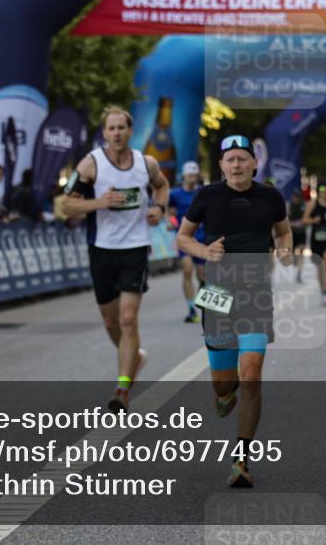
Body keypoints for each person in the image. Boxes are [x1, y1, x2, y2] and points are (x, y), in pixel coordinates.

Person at [176, 135, 293, 489]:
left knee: (253, 374)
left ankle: (242, 459)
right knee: (225, 384)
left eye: (243, 159)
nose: (237, 165)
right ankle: (225, 394)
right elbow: (182, 237)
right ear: (222, 166)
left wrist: (285, 250)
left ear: (254, 164)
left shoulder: (270, 196)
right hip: (217, 294)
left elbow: (284, 232)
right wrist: (203, 250)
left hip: (256, 294)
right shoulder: (207, 196)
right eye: (231, 160)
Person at [60, 105, 169, 414]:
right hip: (102, 249)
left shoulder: (145, 164)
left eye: (122, 128)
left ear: (130, 131)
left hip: (135, 248)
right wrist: (99, 202)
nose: (117, 133)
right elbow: (67, 205)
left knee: (127, 318)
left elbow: (161, 186)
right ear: (104, 132)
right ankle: (136, 358)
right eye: (111, 128)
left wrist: (159, 210)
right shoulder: (90, 165)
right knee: (110, 321)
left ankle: (122, 388)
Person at [168, 161, 207, 323]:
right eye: (189, 175)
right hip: (184, 239)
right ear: (183, 176)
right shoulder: (175, 194)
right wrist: (173, 223)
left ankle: (204, 291)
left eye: (194, 175)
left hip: (202, 239)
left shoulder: (203, 193)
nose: (192, 178)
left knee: (203, 275)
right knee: (187, 270)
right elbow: (170, 213)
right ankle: (191, 309)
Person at [303, 182, 326, 306]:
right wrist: (313, 220)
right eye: (322, 189)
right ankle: (323, 292)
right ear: (318, 191)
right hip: (316, 238)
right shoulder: (312, 204)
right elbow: (304, 219)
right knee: (320, 266)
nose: (324, 192)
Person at [287, 189, 308, 283]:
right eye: (294, 196)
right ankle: (295, 260)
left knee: (301, 251)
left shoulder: (304, 206)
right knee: (293, 253)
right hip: (292, 233)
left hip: (301, 232)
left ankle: (299, 274)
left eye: (297, 196)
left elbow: (307, 219)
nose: (295, 198)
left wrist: (303, 223)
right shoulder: (289, 206)